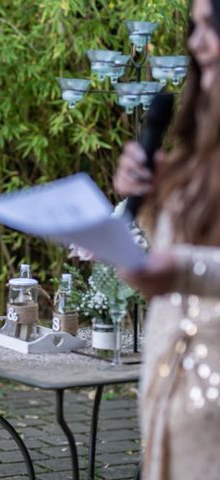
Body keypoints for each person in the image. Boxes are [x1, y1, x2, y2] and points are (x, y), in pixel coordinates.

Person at [114, 0, 220, 478]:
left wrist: (183, 269)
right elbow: (180, 243)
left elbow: (191, 263)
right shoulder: (200, 146)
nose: (197, 44)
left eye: (210, 26)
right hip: (170, 387)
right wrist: (151, 199)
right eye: (194, 28)